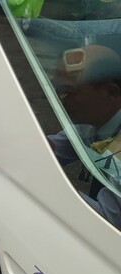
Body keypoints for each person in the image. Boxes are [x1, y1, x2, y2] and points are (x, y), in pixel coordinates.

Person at [47, 44, 121, 228]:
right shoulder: (94, 123)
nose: (60, 100)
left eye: (68, 92)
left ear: (110, 93)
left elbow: (106, 221)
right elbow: (52, 147)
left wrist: (49, 185)